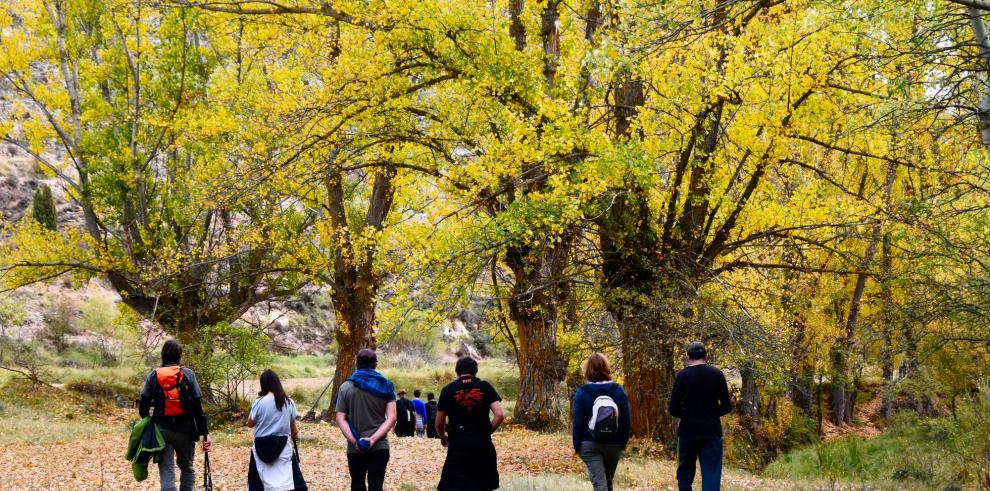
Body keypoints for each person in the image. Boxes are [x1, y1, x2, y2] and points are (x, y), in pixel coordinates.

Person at [138, 340, 211, 491]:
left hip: (161, 430)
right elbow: (197, 407)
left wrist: (149, 424)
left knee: (166, 469)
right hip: (185, 430)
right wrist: (205, 433)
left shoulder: (154, 375)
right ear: (179, 355)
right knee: (187, 469)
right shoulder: (188, 374)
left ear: (163, 355)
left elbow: (143, 404)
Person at [669, 342, 732, 491]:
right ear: (706, 356)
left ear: (688, 357)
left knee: (685, 474)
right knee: (711, 474)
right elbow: (727, 406)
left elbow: (673, 409)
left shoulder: (682, 376)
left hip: (688, 431)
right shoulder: (717, 374)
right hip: (712, 431)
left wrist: (688, 414)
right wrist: (712, 413)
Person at [436, 356, 505, 491]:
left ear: (457, 371)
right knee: (482, 484)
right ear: (475, 371)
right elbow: (499, 415)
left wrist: (443, 438)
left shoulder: (447, 390)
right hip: (482, 443)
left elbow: (439, 423)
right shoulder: (485, 386)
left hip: (458, 443)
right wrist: (486, 432)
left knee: (456, 485)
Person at [335, 349, 397, 491]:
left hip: (354, 447)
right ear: (375, 364)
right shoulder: (386, 386)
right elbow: (392, 417)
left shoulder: (345, 387)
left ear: (357, 364)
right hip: (380, 446)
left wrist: (355, 441)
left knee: (357, 485)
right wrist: (373, 439)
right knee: (376, 486)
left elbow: (340, 418)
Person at [571, 353, 631, 491]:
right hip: (614, 444)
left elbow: (578, 422)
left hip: (589, 445)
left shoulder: (582, 392)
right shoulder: (618, 390)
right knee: (607, 483)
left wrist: (577, 446)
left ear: (588, 369)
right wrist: (622, 443)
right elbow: (626, 420)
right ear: (606, 368)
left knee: (601, 485)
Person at [247, 369, 304, 491]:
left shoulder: (259, 402)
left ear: (263, 384)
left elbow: (250, 424)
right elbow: (294, 431)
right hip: (283, 447)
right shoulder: (288, 402)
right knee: (289, 482)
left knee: (258, 484)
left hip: (260, 447)